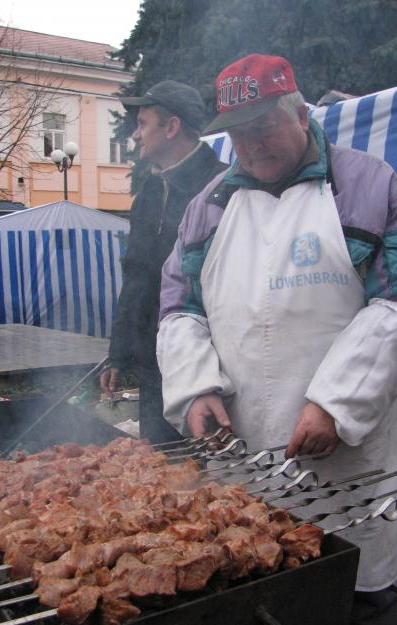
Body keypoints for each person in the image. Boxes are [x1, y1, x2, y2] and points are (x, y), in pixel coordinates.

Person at [157, 54, 397, 625]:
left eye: (263, 127)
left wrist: (336, 403)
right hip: (241, 452)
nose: (251, 146)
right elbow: (181, 308)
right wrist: (195, 388)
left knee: (355, 602)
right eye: (237, 132)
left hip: (346, 464)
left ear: (299, 112)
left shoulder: (367, 184)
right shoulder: (206, 207)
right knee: (254, 602)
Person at [100, 80, 227, 443]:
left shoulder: (221, 186)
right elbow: (136, 277)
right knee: (158, 471)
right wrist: (119, 355)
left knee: (209, 477)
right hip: (153, 362)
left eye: (143, 124)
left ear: (171, 128)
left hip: (211, 367)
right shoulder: (148, 196)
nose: (136, 135)